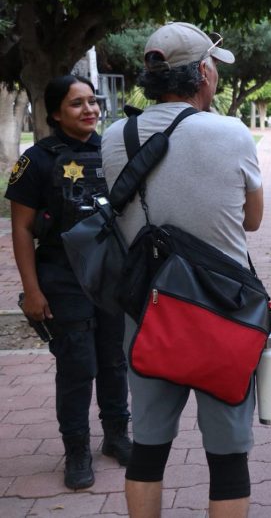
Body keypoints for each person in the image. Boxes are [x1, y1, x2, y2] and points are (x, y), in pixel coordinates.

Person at [101, 22, 264, 518]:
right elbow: (252, 221)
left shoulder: (116, 135)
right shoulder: (232, 132)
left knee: (148, 450)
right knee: (228, 456)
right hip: (224, 312)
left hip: (148, 312)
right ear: (206, 75)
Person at [5, 75, 132, 490]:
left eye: (93, 102)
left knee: (114, 359)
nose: (90, 110)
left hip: (110, 275)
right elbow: (22, 228)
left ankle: (116, 437)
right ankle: (77, 449)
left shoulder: (111, 152)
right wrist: (33, 290)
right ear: (56, 112)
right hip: (62, 277)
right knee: (78, 366)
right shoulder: (37, 160)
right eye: (77, 104)